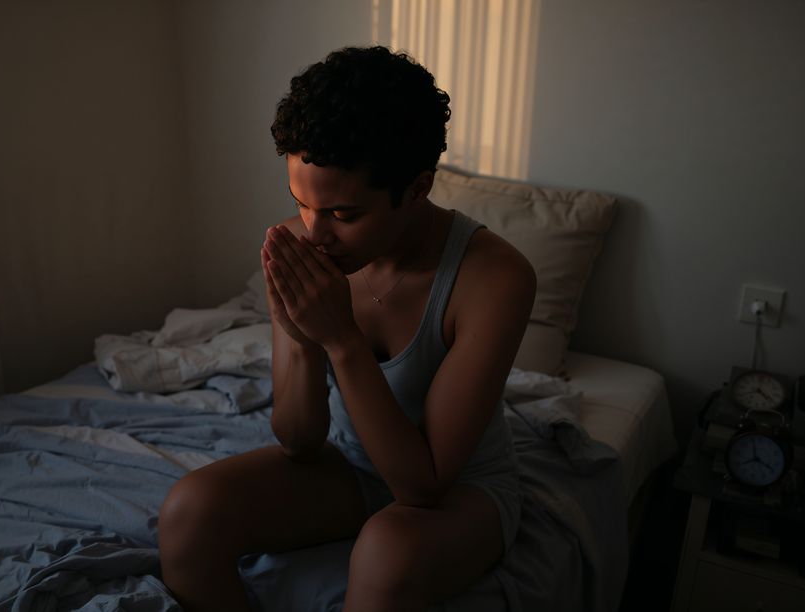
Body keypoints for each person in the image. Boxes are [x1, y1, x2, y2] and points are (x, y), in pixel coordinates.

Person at [158, 46, 536, 612]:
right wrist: (300, 334)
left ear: (416, 189)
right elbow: (300, 439)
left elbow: (424, 486)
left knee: (387, 552)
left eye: (343, 214)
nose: (314, 235)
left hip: (458, 491)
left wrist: (341, 340)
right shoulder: (299, 246)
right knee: (190, 511)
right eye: (301, 203)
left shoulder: (495, 278)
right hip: (349, 466)